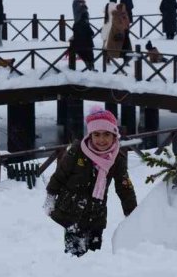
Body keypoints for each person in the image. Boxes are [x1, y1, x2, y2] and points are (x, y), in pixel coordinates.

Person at [44, 108, 137, 257]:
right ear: (90, 135)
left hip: (96, 214)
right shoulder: (77, 151)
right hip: (72, 212)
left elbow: (124, 187)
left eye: (106, 134)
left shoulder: (117, 158)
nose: (101, 140)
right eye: (97, 134)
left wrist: (132, 214)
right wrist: (50, 197)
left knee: (94, 256)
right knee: (75, 254)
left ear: (114, 135)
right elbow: (60, 175)